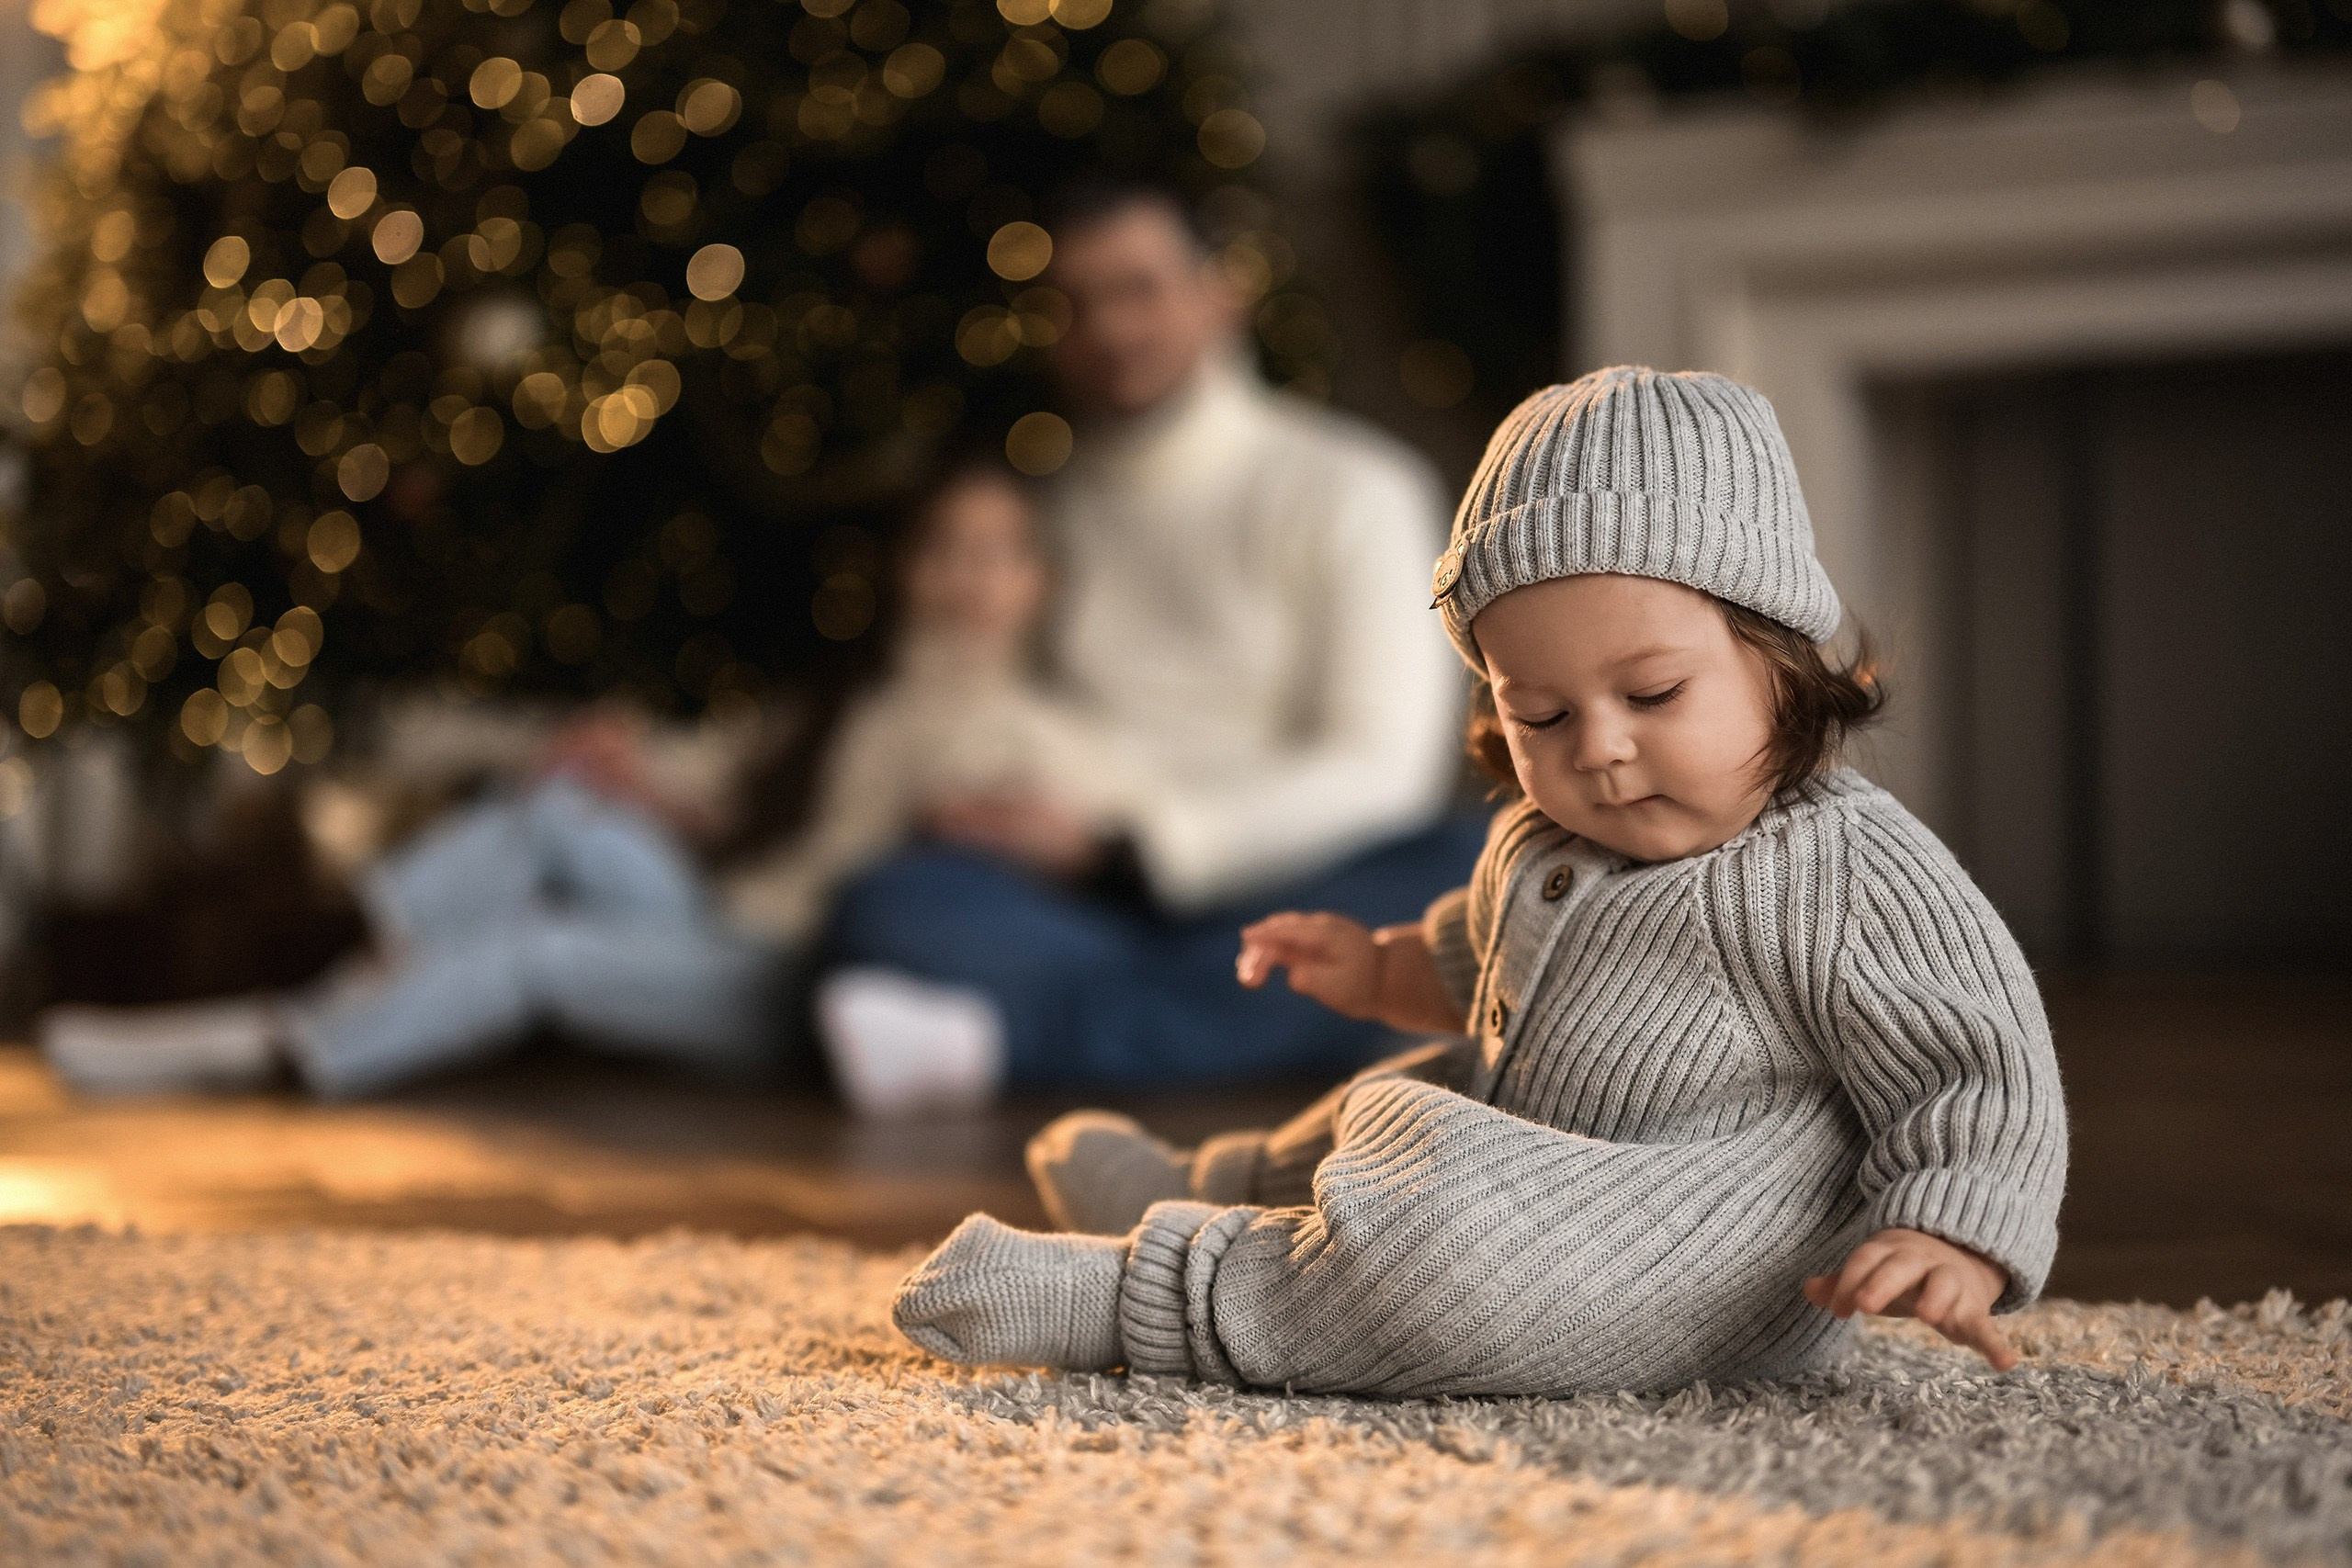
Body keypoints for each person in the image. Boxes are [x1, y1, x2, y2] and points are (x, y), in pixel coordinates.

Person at [887, 367, 2071, 1396]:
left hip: (1698, 1254)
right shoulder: (1545, 838)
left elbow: (1981, 1065)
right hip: (1525, 1149)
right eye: (1539, 714)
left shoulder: (1846, 866)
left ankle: (1142, 1297)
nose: (1597, 748)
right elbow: (1478, 957)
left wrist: (1951, 1230)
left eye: (1652, 696)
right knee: (1391, 1109)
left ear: (1781, 659)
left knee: (1440, 1248)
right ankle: (1206, 1185)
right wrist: (1377, 966)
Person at [41, 460, 1123, 1114]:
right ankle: (342, 975)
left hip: (796, 981)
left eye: (995, 554)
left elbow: (1068, 865)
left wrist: (1019, 838)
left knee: (540, 952)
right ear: (908, 566)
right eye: (945, 548)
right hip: (724, 915)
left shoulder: (1034, 737)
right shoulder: (856, 697)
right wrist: (639, 781)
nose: (965, 577)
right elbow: (740, 810)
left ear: (1039, 581)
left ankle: (277, 1043)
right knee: (558, 811)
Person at [820, 180, 1476, 1090]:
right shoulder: (1037, 509)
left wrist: (1136, 845)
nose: (1109, 331)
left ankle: (1001, 1042)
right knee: (888, 902)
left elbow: (1382, 770)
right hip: (1076, 899)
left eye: (1137, 290)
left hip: (1298, 880)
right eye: (1073, 305)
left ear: (1220, 294)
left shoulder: (1356, 488)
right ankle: (1234, 1024)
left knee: (1468, 874)